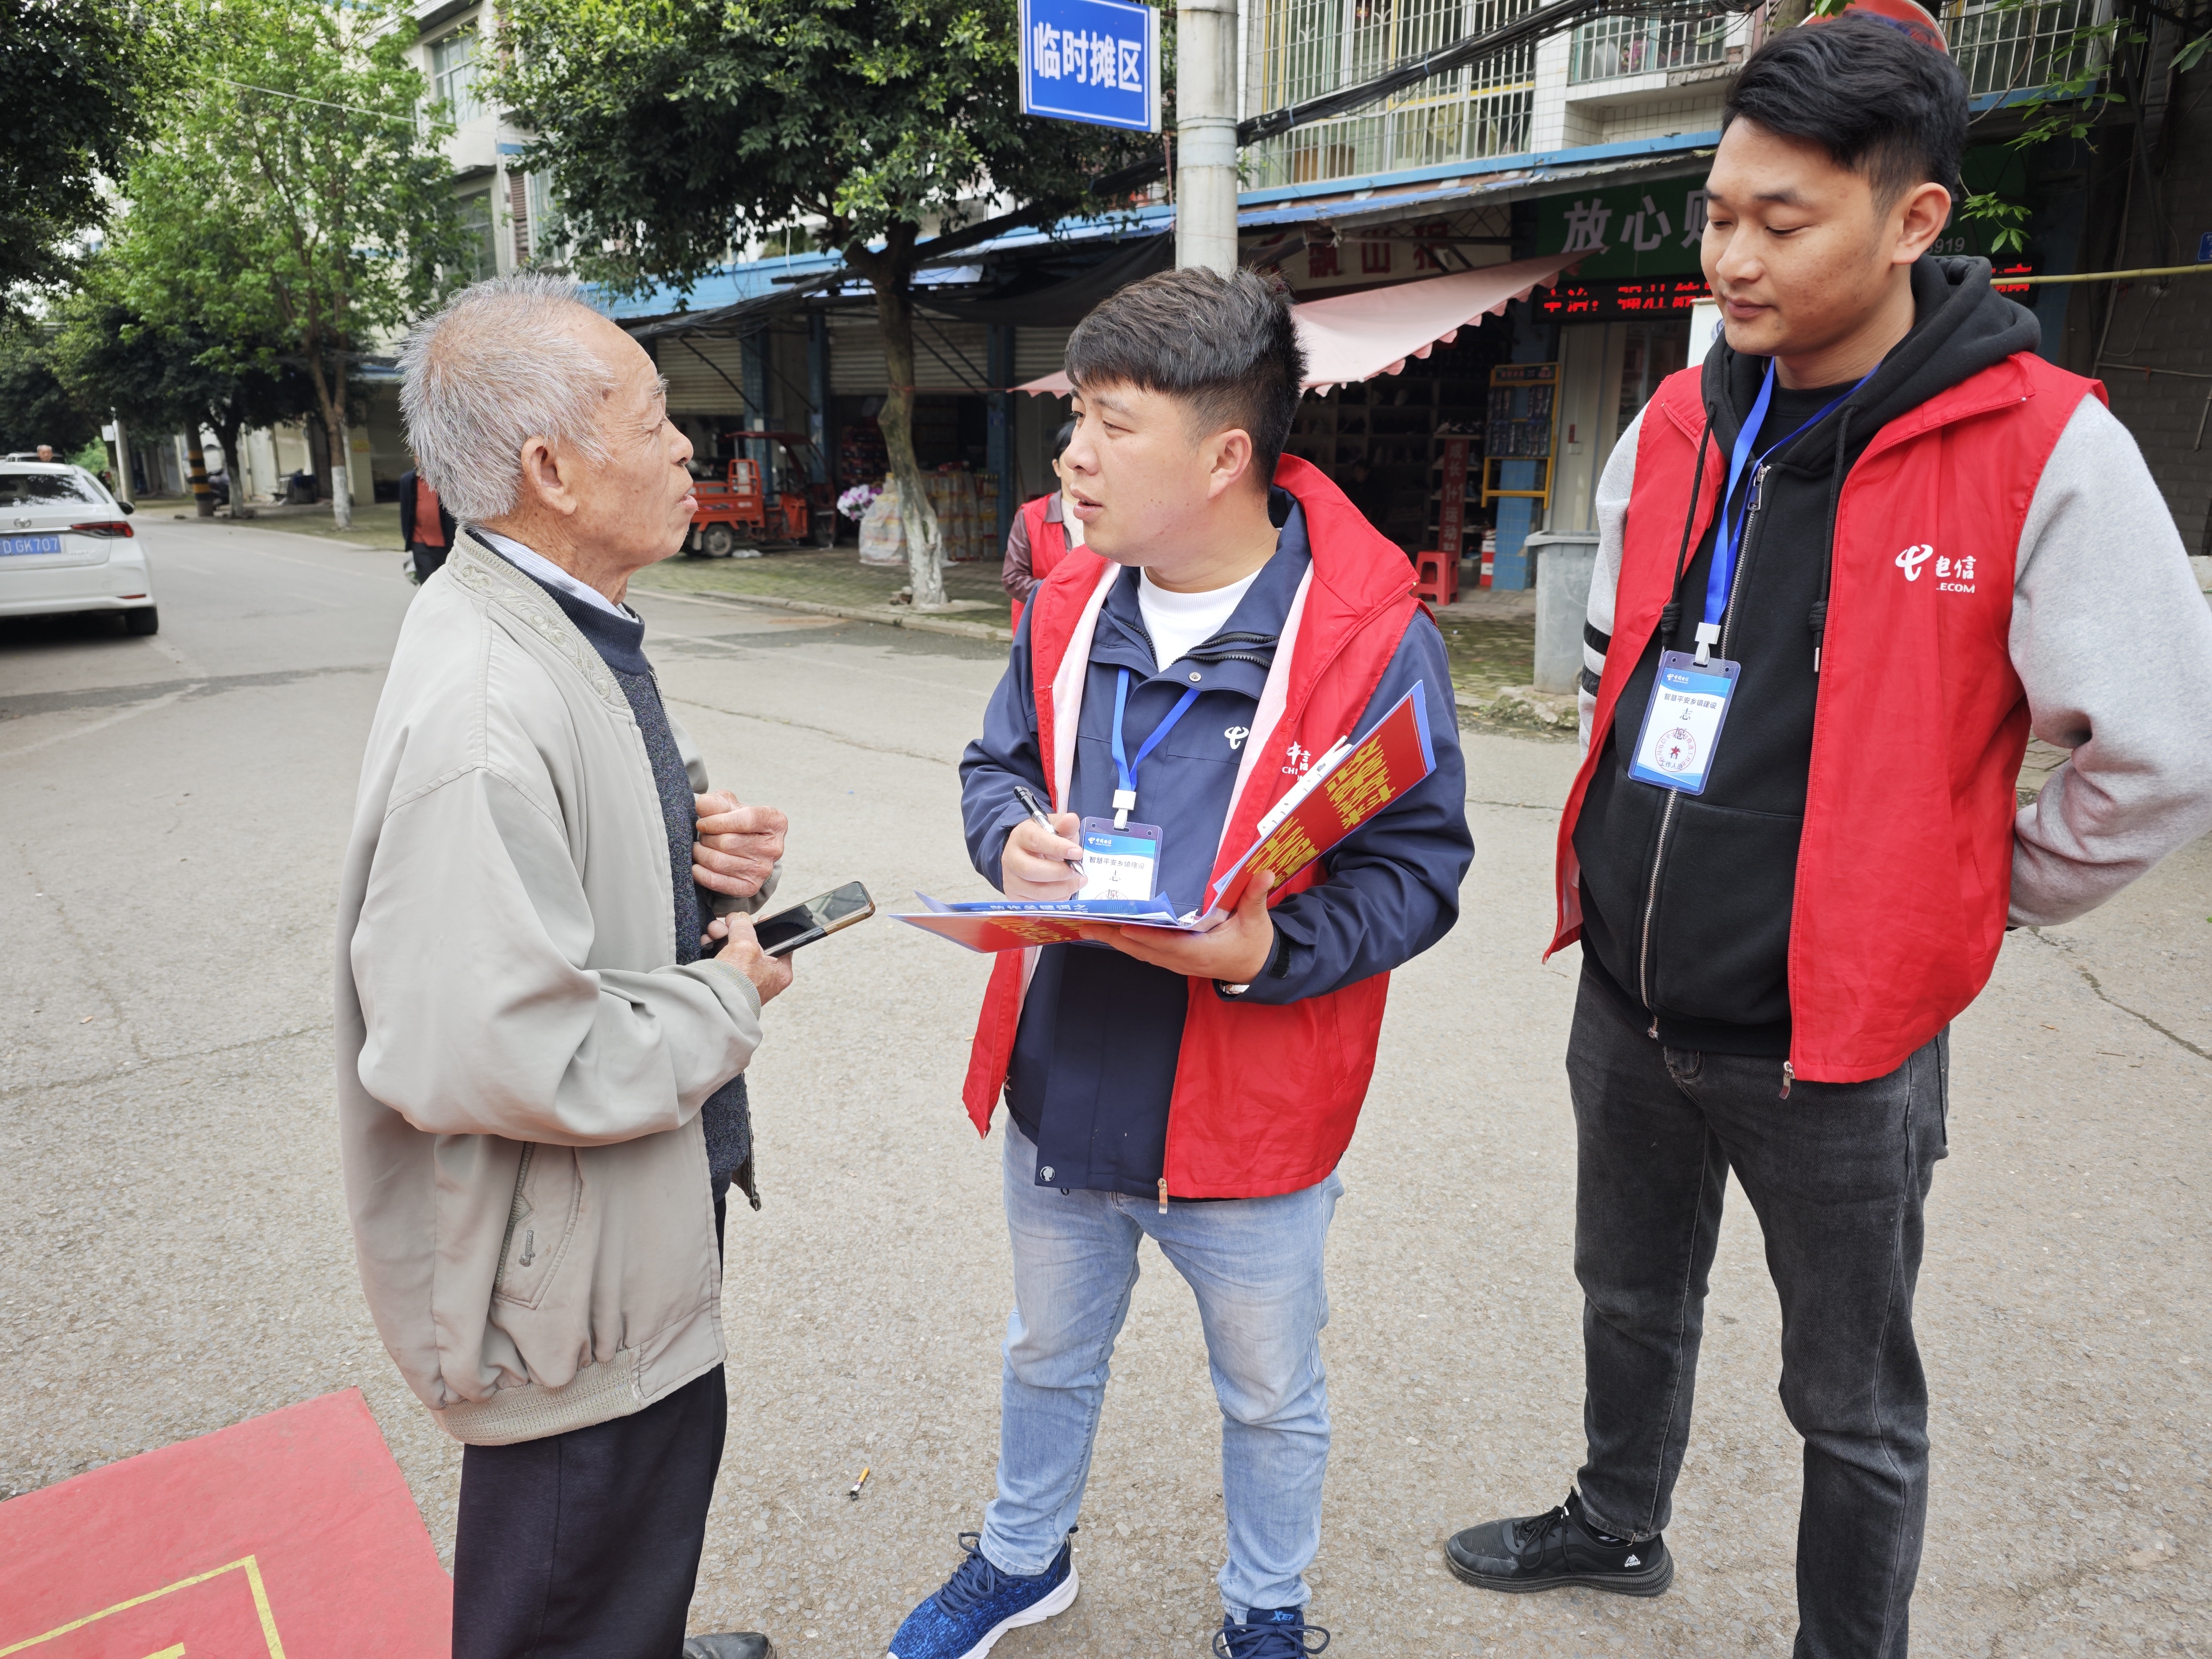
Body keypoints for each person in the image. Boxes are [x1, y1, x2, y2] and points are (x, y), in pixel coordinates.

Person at [1445, 17, 2212, 1658]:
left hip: (1840, 1042)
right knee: (1628, 1295)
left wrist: (1967, 893)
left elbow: (2162, 757)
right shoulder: (1682, 418)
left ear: (1913, 219)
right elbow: (1618, 659)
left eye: (1780, 222)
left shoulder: (2041, 443)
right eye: (1720, 212)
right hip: (1634, 994)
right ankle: (1616, 1519)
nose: (1731, 256)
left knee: (1850, 1395)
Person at [891, 268, 1473, 1659]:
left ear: (1224, 456)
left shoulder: (1368, 639)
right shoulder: (1065, 604)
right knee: (1047, 1351)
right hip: (1067, 1076)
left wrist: (1274, 946)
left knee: (1268, 1390)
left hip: (1250, 1109)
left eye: (1111, 425)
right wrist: (1009, 835)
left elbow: (1418, 867)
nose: (1072, 458)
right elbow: (995, 764)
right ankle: (1020, 1558)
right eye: (1074, 420)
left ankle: (1265, 1605)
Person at [336, 274, 799, 1659]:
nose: (686, 448)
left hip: (626, 1214)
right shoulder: (491, 701)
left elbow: (567, 884)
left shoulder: (555, 614)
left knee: (630, 1553)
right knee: (571, 1581)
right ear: (550, 469)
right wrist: (729, 996)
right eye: (654, 420)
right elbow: (491, 1046)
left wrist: (699, 859)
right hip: (566, 1270)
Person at [1000, 419, 1082, 630]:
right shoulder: (1031, 516)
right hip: (1044, 627)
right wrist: (1062, 594)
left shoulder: (1115, 514)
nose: (1080, 464)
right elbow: (1013, 578)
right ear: (1057, 467)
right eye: (1071, 457)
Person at [399, 462, 457, 583]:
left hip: (447, 542)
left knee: (448, 583)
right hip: (420, 541)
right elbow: (405, 511)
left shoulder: (449, 481)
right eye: (417, 456)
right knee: (428, 582)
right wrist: (409, 538)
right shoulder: (408, 481)